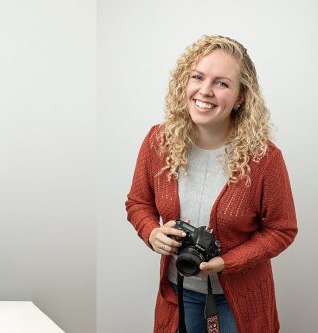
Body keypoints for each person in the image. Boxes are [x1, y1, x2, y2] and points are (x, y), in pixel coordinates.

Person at [126, 35, 297, 333]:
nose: (205, 91)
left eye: (222, 83)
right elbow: (138, 202)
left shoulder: (264, 159)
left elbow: (282, 229)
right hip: (177, 293)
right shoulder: (159, 141)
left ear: (241, 97)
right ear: (185, 82)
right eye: (197, 77)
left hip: (238, 302)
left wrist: (227, 262)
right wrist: (152, 232)